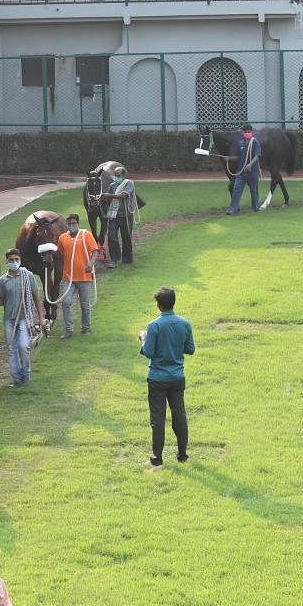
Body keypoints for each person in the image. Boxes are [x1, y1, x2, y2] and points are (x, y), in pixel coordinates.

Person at [139, 287, 196, 468]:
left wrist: (143, 338)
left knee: (158, 418)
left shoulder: (154, 326)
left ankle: (157, 457)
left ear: (159, 305)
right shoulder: (185, 324)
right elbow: (190, 349)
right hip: (178, 376)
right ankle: (182, 454)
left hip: (157, 378)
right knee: (179, 414)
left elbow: (148, 351)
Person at [0, 248, 43, 387]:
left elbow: (36, 297)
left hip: (24, 319)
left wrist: (41, 318)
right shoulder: (3, 281)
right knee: (12, 350)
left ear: (20, 260)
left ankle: (26, 374)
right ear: (7, 261)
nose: (14, 262)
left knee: (24, 347)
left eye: (16, 260)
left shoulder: (28, 276)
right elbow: (2, 300)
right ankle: (17, 379)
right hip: (9, 320)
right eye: (11, 260)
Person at [55, 213, 99, 338]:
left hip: (84, 278)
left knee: (85, 305)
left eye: (73, 223)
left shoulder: (85, 235)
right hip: (68, 278)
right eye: (68, 224)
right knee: (66, 302)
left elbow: (95, 251)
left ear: (78, 223)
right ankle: (69, 330)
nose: (71, 226)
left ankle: (86, 328)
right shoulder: (62, 238)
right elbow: (60, 253)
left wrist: (90, 264)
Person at [101, 167, 140, 266]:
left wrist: (109, 196)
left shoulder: (129, 183)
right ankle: (114, 259)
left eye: (118, 175)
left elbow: (123, 196)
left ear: (123, 175)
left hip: (126, 215)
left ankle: (127, 259)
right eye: (115, 175)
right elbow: (107, 199)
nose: (116, 177)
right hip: (114, 215)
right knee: (112, 236)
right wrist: (103, 199)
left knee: (126, 237)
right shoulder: (112, 185)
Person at [226, 124, 262, 215]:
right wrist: (229, 158)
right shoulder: (241, 143)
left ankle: (255, 207)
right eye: (245, 132)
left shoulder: (255, 143)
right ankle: (233, 208)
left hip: (252, 172)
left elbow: (257, 156)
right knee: (236, 190)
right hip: (241, 171)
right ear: (243, 133)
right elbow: (238, 157)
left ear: (251, 132)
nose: (247, 133)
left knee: (254, 190)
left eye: (248, 132)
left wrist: (250, 164)